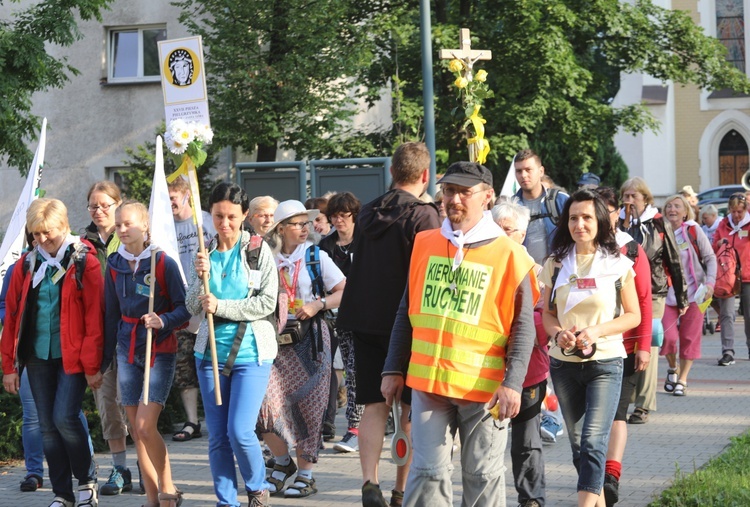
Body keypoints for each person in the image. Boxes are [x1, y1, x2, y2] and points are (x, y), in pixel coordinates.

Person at [381, 161, 537, 507]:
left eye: (465, 192)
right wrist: (393, 368)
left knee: (481, 476)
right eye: (450, 191)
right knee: (427, 474)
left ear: (488, 198)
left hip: (484, 390)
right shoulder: (425, 243)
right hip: (428, 385)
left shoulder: (511, 255)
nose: (455, 199)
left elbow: (523, 327)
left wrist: (512, 384)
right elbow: (406, 312)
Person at [336, 142, 440, 507]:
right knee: (409, 407)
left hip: (361, 319)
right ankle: (400, 489)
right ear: (425, 175)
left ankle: (369, 482)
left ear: (392, 172)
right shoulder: (424, 215)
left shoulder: (367, 212)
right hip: (403, 324)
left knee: (372, 403)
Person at [541, 189, 640, 507]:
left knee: (595, 440)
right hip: (563, 364)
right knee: (579, 447)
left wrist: (596, 331)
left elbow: (633, 315)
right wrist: (558, 335)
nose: (579, 224)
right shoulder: (555, 263)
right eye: (573, 218)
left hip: (606, 362)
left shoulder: (619, 264)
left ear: (599, 220)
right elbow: (547, 313)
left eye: (586, 217)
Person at [2, 198, 104, 507]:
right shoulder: (25, 264)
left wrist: (92, 364)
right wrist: (9, 365)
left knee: (64, 417)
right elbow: (13, 318)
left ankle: (87, 480)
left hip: (73, 356)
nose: (42, 240)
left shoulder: (86, 260)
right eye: (36, 235)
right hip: (36, 356)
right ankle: (63, 493)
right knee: (46, 426)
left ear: (64, 227)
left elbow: (94, 318)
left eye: (48, 233)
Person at [187, 182, 279, 507]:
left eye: (231, 217)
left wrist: (221, 306)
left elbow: (267, 302)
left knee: (240, 430)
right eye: (218, 216)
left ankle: (257, 487)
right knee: (218, 438)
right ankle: (226, 501)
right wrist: (201, 278)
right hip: (210, 354)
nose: (224, 223)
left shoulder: (257, 250)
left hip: (252, 354)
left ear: (244, 215)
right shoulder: (204, 251)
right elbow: (191, 305)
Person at [103, 201, 190, 507]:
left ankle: (168, 487)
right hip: (126, 351)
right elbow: (110, 314)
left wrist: (163, 320)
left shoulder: (162, 262)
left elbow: (185, 308)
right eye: (118, 225)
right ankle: (153, 499)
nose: (122, 230)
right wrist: (103, 361)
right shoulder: (113, 264)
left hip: (159, 350)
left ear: (145, 226)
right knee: (136, 432)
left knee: (144, 425)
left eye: (128, 224)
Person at [257, 200, 346, 499]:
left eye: (306, 223)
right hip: (275, 339)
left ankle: (306, 474)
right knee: (265, 406)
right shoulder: (267, 258)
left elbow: (344, 290)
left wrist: (318, 304)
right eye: (297, 223)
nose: (304, 228)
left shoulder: (315, 256)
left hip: (311, 341)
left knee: (309, 408)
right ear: (281, 229)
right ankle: (282, 463)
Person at [595, 186, 653, 507]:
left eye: (608, 210)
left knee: (617, 412)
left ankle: (611, 476)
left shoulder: (630, 249)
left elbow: (643, 298)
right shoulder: (581, 246)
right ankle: (593, 472)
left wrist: (643, 344)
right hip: (590, 347)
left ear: (617, 213)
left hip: (626, 345)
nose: (603, 216)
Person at [492, 199, 549, 507]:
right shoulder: (483, 262)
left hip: (528, 369)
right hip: (486, 370)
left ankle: (531, 499)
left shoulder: (534, 270)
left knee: (525, 441)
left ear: (522, 234)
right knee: (487, 441)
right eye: (496, 228)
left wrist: (523, 325)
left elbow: (543, 320)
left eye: (508, 229)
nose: (501, 235)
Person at [81, 181, 135, 495]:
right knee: (108, 405)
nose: (99, 211)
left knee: (136, 405)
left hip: (129, 333)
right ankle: (120, 469)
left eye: (105, 205)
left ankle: (147, 467)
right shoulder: (80, 244)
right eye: (93, 206)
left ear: (117, 205)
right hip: (99, 336)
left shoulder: (130, 236)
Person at [619, 177, 687, 424]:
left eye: (633, 197)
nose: (628, 202)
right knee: (628, 346)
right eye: (625, 196)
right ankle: (628, 397)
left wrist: (682, 297)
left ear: (645, 199)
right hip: (624, 293)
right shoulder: (618, 225)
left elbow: (674, 261)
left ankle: (644, 404)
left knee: (647, 345)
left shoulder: (659, 224)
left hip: (653, 293)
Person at [168, 176, 216, 443]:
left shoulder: (205, 221)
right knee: (184, 363)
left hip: (207, 300)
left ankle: (217, 415)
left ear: (186, 195)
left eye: (173, 197)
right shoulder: (164, 227)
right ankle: (191, 420)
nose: (170, 203)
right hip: (180, 302)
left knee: (212, 362)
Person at [319, 192, 365, 454]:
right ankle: (326, 426)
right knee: (330, 372)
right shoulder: (326, 246)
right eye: (334, 216)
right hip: (333, 317)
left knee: (356, 372)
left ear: (354, 215)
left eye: (343, 215)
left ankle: (356, 428)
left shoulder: (367, 241)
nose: (338, 221)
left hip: (363, 316)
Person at [661, 194, 717, 395]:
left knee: (689, 338)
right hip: (667, 295)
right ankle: (672, 367)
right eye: (668, 206)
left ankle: (682, 380)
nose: (672, 209)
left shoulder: (693, 230)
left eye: (677, 206)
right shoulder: (660, 232)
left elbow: (710, 258)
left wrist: (710, 282)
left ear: (685, 212)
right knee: (668, 337)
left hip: (695, 294)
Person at [712, 192, 750, 365]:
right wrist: (719, 244)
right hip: (727, 276)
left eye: (740, 211)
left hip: (747, 276)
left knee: (748, 316)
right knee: (727, 314)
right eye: (733, 211)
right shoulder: (723, 224)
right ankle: (728, 352)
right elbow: (713, 246)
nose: (736, 215)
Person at [514, 149, 569, 265]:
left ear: (541, 171)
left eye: (528, 170)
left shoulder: (561, 200)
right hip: (523, 276)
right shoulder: (510, 206)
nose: (523, 175)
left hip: (558, 275)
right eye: (519, 171)